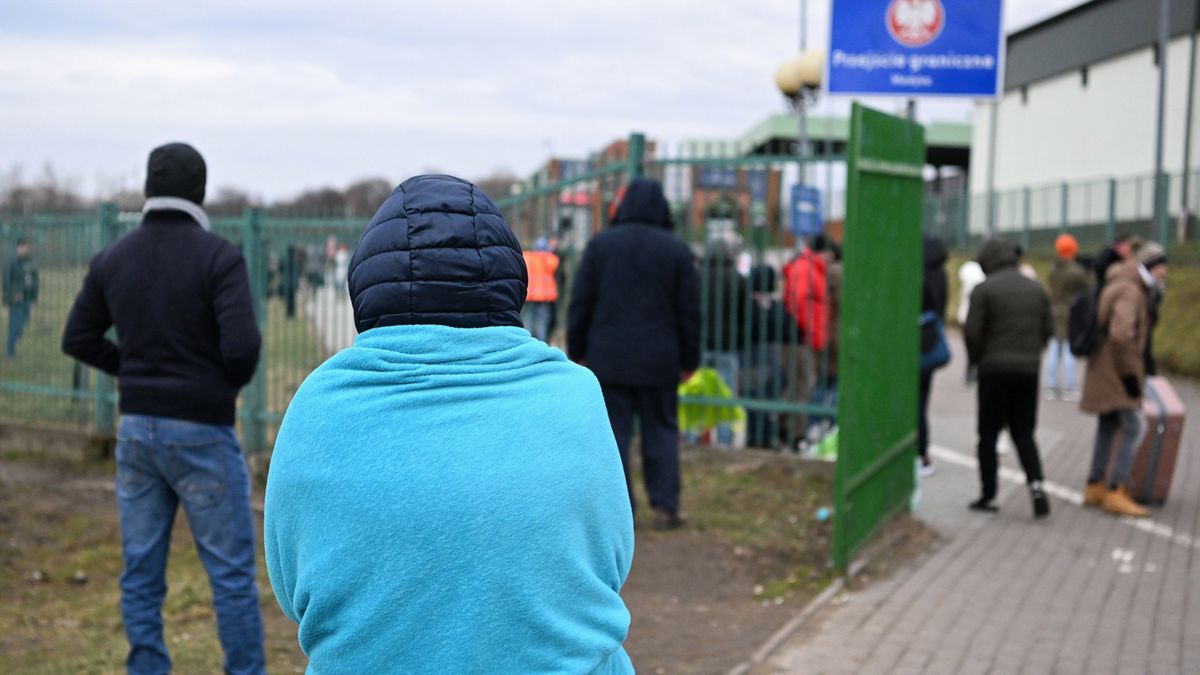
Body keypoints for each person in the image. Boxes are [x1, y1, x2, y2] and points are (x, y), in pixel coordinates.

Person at [265, 175, 634, 673]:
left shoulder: (317, 405)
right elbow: (612, 563)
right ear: (510, 280)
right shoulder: (576, 394)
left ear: (367, 286)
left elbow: (291, 592)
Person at [61, 143, 265, 674]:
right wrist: (214, 387)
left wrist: (131, 370)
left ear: (149, 189)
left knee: (141, 573)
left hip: (136, 432)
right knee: (230, 575)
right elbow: (242, 348)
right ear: (200, 191)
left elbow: (78, 338)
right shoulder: (219, 257)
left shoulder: (114, 257)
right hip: (203, 430)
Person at [568, 177, 700, 530]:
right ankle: (666, 506)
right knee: (661, 432)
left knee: (614, 437)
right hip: (660, 360)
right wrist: (690, 360)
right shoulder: (676, 251)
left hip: (608, 359)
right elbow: (689, 312)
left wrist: (576, 349)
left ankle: (619, 512)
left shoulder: (601, 246)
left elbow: (581, 303)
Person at [963, 238, 1053, 518]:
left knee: (988, 434)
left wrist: (977, 359)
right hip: (1028, 371)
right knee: (1024, 432)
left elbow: (972, 332)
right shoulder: (1036, 288)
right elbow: (1047, 329)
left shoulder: (984, 290)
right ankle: (1036, 485)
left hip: (994, 371)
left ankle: (988, 495)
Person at [1080, 242, 1168, 518]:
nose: (1164, 273)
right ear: (1151, 267)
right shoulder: (1131, 291)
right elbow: (1121, 335)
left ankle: (1095, 484)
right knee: (1135, 426)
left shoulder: (1121, 282)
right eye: (1162, 267)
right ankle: (1116, 488)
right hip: (1116, 370)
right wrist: (1131, 375)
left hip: (1104, 367)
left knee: (1108, 423)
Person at [1046, 234, 1092, 400]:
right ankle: (1069, 387)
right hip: (1070, 312)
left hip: (1054, 309)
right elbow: (1088, 286)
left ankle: (1051, 385)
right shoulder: (1076, 271)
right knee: (1068, 350)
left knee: (1054, 348)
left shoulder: (1053, 269)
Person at [918, 235, 949, 477]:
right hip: (932, 339)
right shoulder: (943, 275)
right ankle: (923, 454)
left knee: (914, 404)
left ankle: (919, 453)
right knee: (923, 399)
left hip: (917, 340)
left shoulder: (921, 276)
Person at [4, 237, 38, 359]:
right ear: (18, 247)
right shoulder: (11, 262)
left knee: (24, 322)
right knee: (15, 324)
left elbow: (35, 280)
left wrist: (34, 298)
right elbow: (7, 282)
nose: (25, 248)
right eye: (22, 246)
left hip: (27, 298)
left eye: (26, 246)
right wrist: (9, 299)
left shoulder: (30, 262)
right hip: (16, 298)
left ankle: (15, 338)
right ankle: (10, 352)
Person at [522, 237, 560, 342]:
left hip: (528, 295)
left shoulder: (526, 257)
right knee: (542, 323)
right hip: (544, 296)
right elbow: (555, 265)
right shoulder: (549, 258)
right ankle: (542, 344)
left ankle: (527, 343)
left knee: (527, 321)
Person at [957, 259, 986, 383]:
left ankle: (969, 371)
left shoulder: (966, 271)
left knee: (969, 345)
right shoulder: (981, 278)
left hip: (965, 316)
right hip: (976, 316)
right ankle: (975, 371)